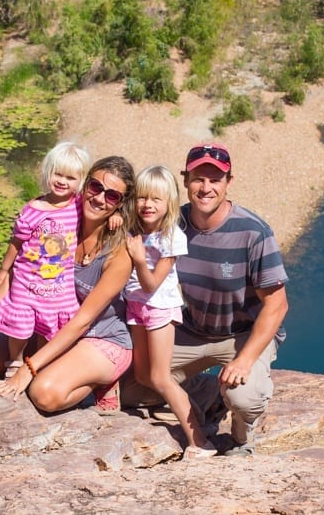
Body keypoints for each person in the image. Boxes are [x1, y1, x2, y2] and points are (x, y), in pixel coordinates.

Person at [121, 143, 289, 457]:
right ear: (185, 181)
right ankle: (208, 395)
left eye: (215, 179)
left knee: (243, 396)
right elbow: (136, 219)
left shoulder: (253, 232)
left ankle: (241, 438)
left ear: (229, 183)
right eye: (199, 178)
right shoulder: (173, 222)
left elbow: (277, 304)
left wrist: (245, 359)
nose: (206, 188)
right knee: (130, 388)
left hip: (242, 336)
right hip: (193, 330)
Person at [0, 156, 136, 415]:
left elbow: (83, 321)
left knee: (43, 392)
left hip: (100, 336)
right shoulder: (62, 222)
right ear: (85, 185)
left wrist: (27, 369)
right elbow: (17, 272)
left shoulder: (119, 253)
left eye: (112, 196)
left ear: (121, 204)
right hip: (56, 327)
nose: (100, 199)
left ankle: (102, 382)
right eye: (96, 187)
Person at [0, 142, 92, 380]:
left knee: (54, 323)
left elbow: (102, 209)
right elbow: (16, 242)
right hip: (28, 280)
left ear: (80, 182)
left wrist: (116, 217)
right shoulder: (32, 210)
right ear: (48, 171)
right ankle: (15, 360)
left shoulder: (78, 205)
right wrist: (4, 268)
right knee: (20, 325)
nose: (62, 181)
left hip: (59, 283)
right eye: (58, 174)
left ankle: (43, 360)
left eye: (70, 177)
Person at [124, 165, 216, 459]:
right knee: (142, 375)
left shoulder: (172, 237)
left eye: (156, 199)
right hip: (135, 307)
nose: (147, 205)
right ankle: (194, 410)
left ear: (169, 204)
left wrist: (139, 259)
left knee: (161, 377)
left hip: (160, 308)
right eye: (142, 198)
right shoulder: (134, 228)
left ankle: (200, 441)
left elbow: (151, 283)